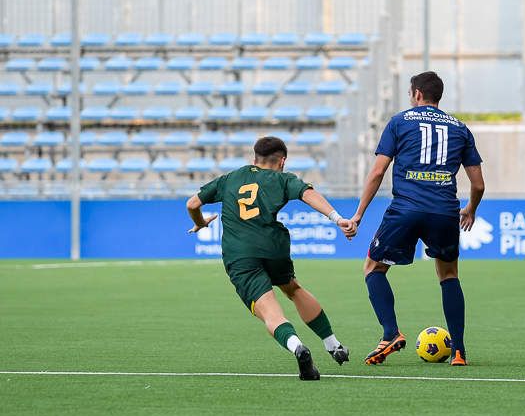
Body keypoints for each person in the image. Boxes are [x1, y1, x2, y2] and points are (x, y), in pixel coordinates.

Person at [186, 136, 358, 380]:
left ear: (254, 158)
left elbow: (192, 203)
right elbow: (308, 194)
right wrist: (338, 218)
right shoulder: (283, 178)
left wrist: (201, 223)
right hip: (274, 247)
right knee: (293, 288)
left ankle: (297, 347)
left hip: (241, 255)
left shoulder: (231, 178)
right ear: (282, 161)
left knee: (271, 314)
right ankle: (333, 345)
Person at [350, 71, 485, 366]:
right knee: (449, 275)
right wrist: (471, 209)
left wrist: (358, 214)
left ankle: (390, 333)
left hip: (406, 210)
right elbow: (478, 184)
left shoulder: (400, 122)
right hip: (445, 211)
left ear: (417, 94)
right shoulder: (460, 128)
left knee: (373, 267)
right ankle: (459, 350)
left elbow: (377, 172)